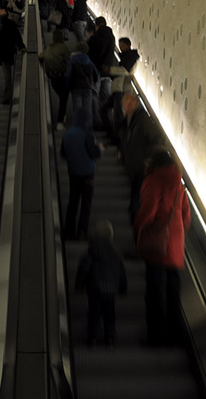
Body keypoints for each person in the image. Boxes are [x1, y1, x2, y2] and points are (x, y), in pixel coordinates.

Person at [133, 150, 191, 345]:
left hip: (158, 245)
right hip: (175, 244)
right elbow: (186, 216)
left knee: (155, 290)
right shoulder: (179, 182)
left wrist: (139, 228)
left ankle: (156, 336)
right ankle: (175, 335)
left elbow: (148, 211)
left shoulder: (154, 180)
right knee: (173, 292)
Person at [75, 219, 127, 347]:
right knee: (109, 314)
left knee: (94, 313)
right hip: (110, 290)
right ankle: (110, 337)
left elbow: (85, 268)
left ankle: (92, 336)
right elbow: (121, 272)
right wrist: (123, 288)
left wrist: (79, 284)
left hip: (95, 288)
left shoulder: (92, 251)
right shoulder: (116, 254)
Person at [118, 92, 163, 219]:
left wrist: (148, 158)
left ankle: (138, 226)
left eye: (130, 103)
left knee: (137, 201)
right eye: (125, 103)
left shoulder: (143, 120)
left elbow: (157, 138)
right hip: (134, 166)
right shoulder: (128, 121)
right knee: (135, 199)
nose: (127, 106)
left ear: (137, 104)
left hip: (141, 167)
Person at [61, 107, 103, 240]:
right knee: (86, 203)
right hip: (88, 174)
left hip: (73, 173)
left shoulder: (67, 135)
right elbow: (94, 153)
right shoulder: (87, 134)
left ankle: (69, 231)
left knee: (73, 202)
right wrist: (100, 149)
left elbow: (63, 154)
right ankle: (82, 231)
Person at [0, 5, 26, 103]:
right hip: (1, 54)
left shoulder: (5, 24)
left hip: (1, 54)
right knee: (1, 76)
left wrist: (21, 46)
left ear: (4, 11)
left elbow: (16, 36)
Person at [39, 28, 71, 129]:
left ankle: (62, 118)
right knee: (63, 98)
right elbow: (68, 61)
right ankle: (60, 121)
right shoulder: (64, 47)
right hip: (61, 76)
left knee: (62, 97)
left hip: (52, 77)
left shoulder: (49, 47)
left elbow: (41, 56)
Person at [65, 42, 100, 122]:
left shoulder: (72, 61)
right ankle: (87, 127)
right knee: (87, 108)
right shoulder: (90, 62)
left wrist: (68, 85)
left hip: (76, 88)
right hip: (88, 87)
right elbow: (96, 75)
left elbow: (67, 75)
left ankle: (78, 127)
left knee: (77, 108)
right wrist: (92, 83)